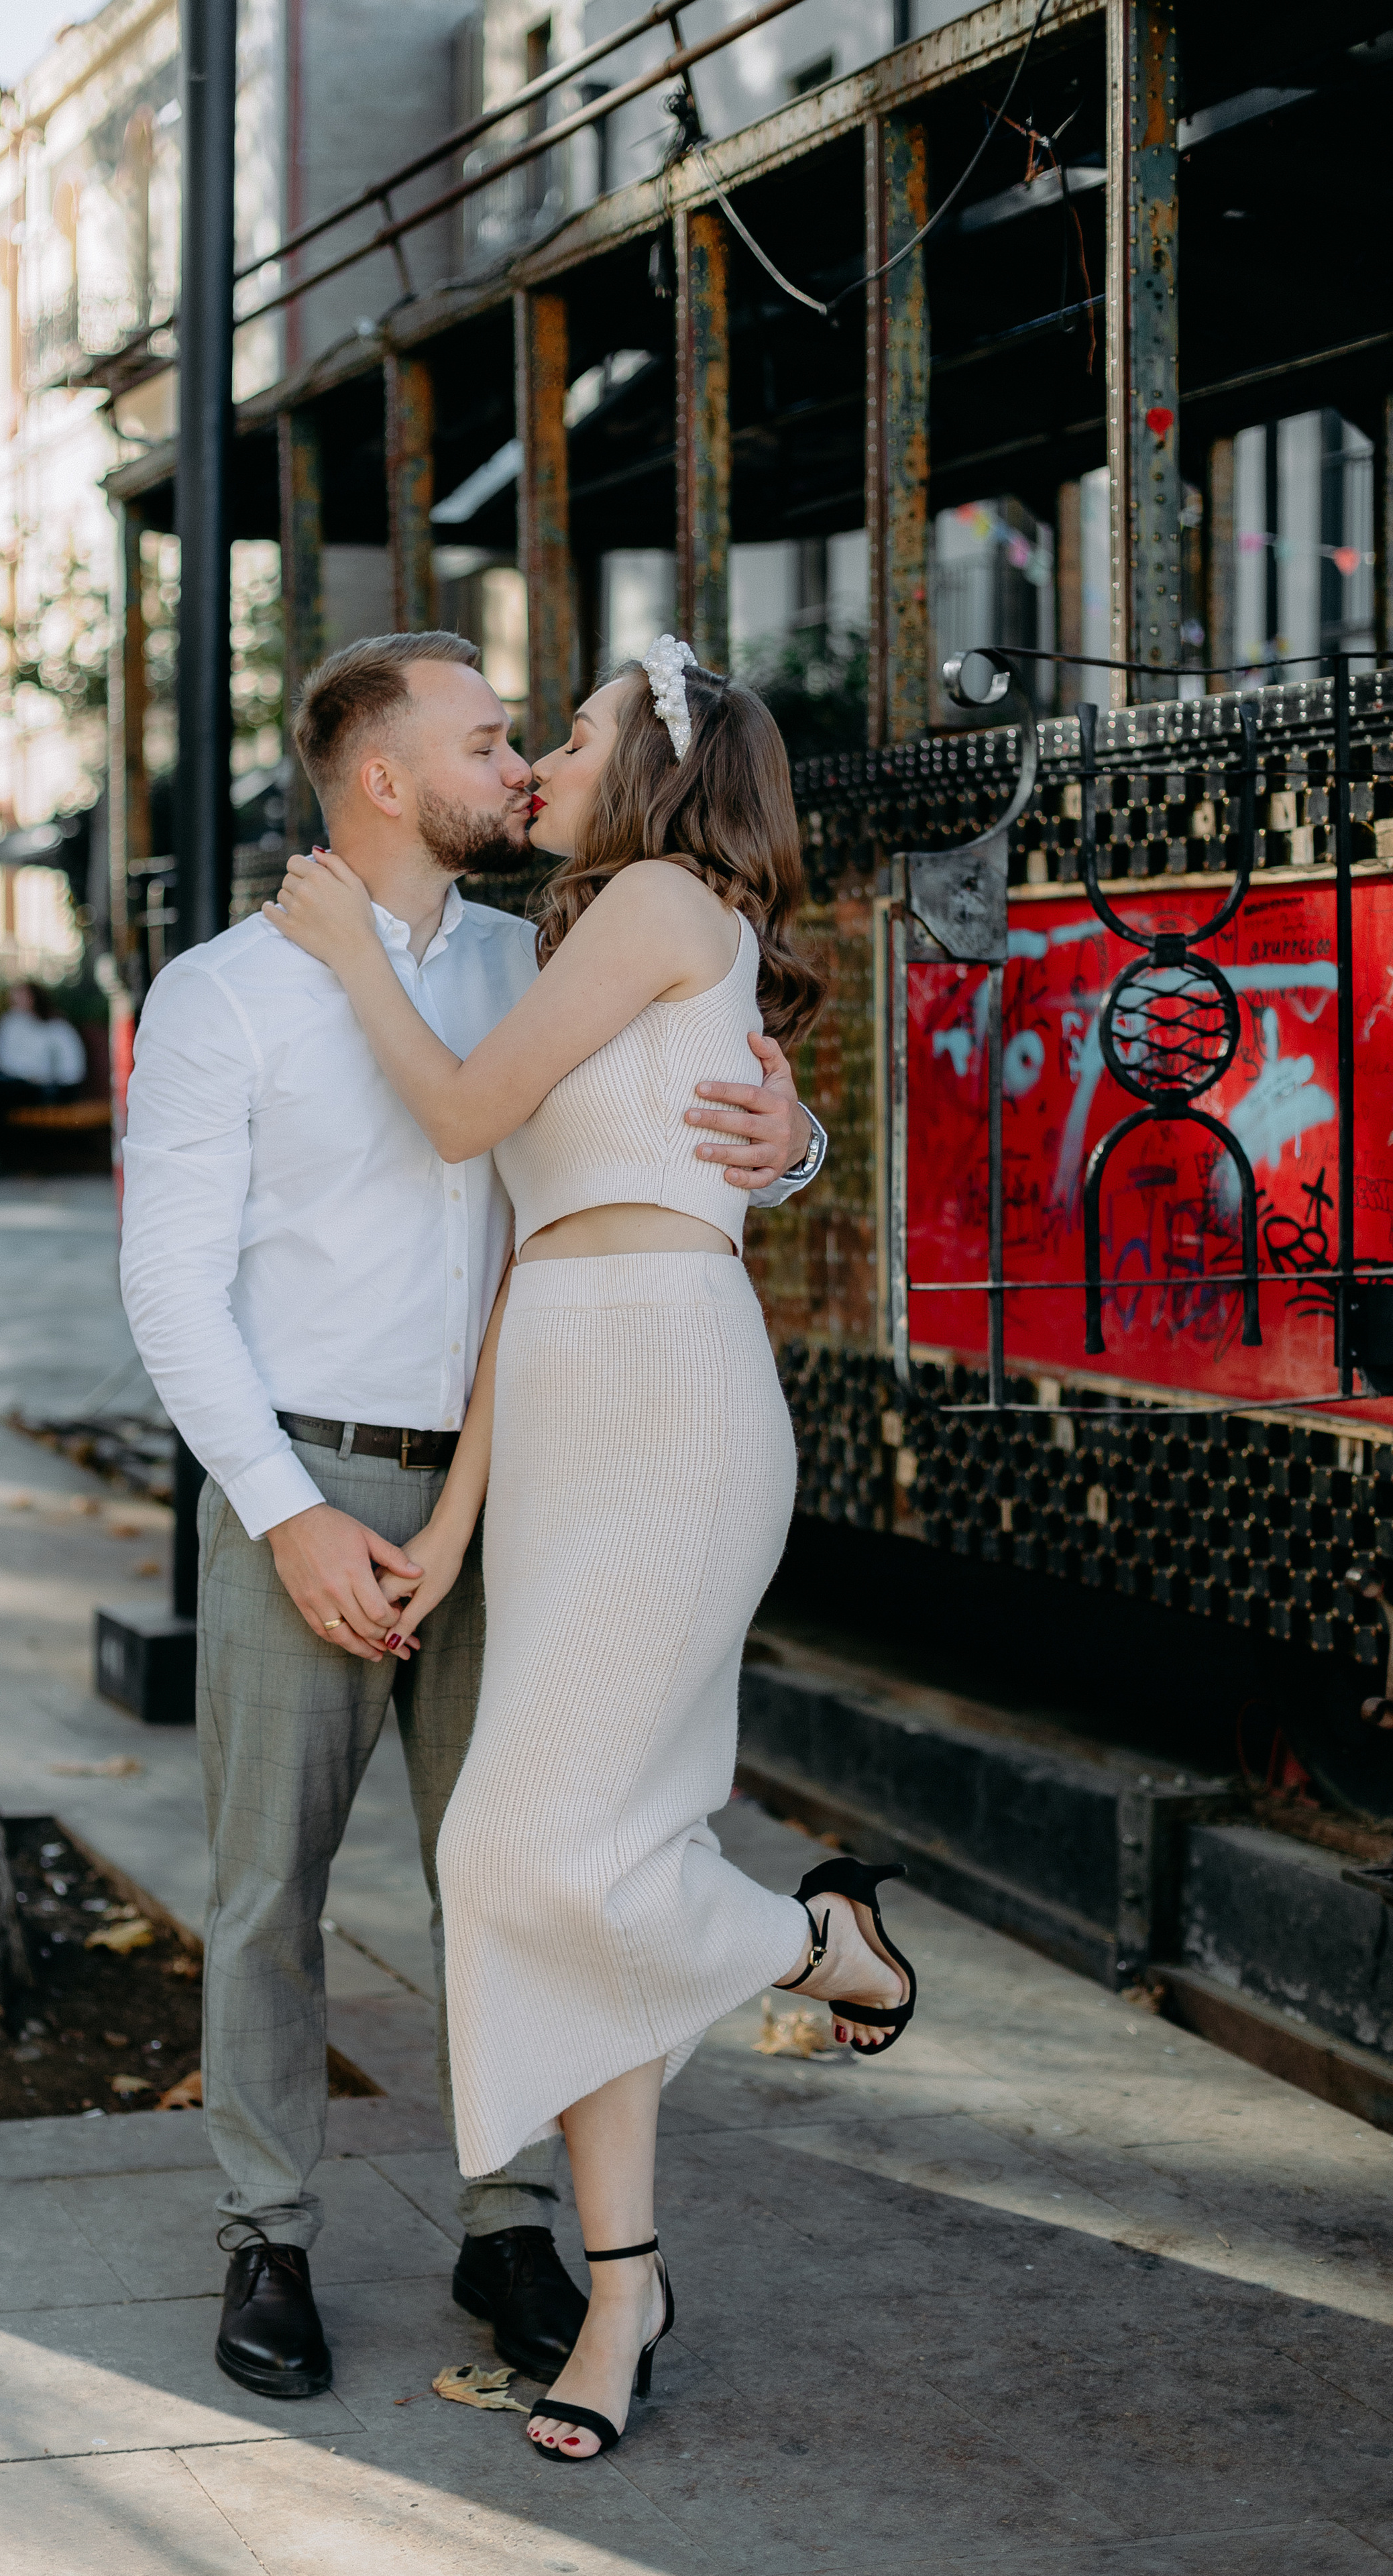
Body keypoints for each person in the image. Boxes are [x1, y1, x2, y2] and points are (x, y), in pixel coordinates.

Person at [118, 631, 826, 2406]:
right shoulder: (227, 990)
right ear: (382, 772)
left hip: (542, 1476)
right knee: (269, 1894)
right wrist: (281, 1515)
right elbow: (169, 1292)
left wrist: (791, 1137)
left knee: (506, 1868)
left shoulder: (549, 947)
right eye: (492, 738)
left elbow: (653, 1110)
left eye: (539, 737)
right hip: (312, 1476)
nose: (522, 767)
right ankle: (267, 2233)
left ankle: (510, 2222)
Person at [265, 636, 915, 2465]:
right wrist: (455, 1530)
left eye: (579, 727)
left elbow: (465, 1118)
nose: (545, 750)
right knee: (578, 1865)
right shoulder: (588, 938)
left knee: (511, 1844)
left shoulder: (659, 898)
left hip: (672, 1415)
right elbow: (521, 1262)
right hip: (558, 1413)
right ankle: (623, 2296)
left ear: (661, 769)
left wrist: (337, 955)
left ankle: (816, 1945)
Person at [0, 980, 87, 1175]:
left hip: (49, 1088)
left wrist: (48, 1079)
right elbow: (4, 1060)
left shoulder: (55, 1025)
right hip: (17, 1083)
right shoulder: (11, 1023)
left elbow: (72, 1065)